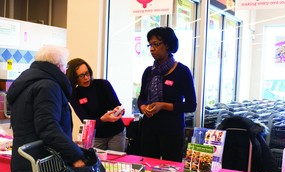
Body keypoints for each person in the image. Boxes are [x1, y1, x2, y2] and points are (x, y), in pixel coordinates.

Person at [6, 45, 86, 172]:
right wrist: (76, 155)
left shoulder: (25, 83)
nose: (66, 70)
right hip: (42, 163)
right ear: (58, 66)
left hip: (24, 159)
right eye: (65, 66)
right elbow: (48, 128)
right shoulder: (48, 86)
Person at [137, 27, 197, 162]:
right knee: (147, 167)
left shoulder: (182, 71)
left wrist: (163, 106)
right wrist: (143, 108)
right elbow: (141, 99)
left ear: (168, 45)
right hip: (149, 128)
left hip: (172, 129)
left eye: (156, 44)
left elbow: (191, 105)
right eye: (150, 45)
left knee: (172, 170)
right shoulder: (148, 72)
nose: (152, 48)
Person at [66, 58, 126, 152]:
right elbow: (85, 120)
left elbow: (117, 105)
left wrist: (120, 110)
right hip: (96, 135)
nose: (86, 77)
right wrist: (103, 119)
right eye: (81, 75)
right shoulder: (74, 95)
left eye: (87, 73)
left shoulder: (103, 84)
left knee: (116, 164)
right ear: (74, 78)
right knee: (97, 163)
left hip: (116, 132)